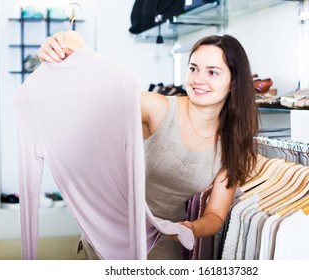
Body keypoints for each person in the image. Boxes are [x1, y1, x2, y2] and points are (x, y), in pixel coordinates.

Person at [37, 33, 259, 259]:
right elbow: (97, 103)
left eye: (212, 72)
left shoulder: (233, 144)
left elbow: (215, 214)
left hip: (164, 242)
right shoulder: (157, 108)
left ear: (233, 81)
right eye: (193, 68)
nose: (198, 79)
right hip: (112, 232)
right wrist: (61, 61)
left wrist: (192, 228)